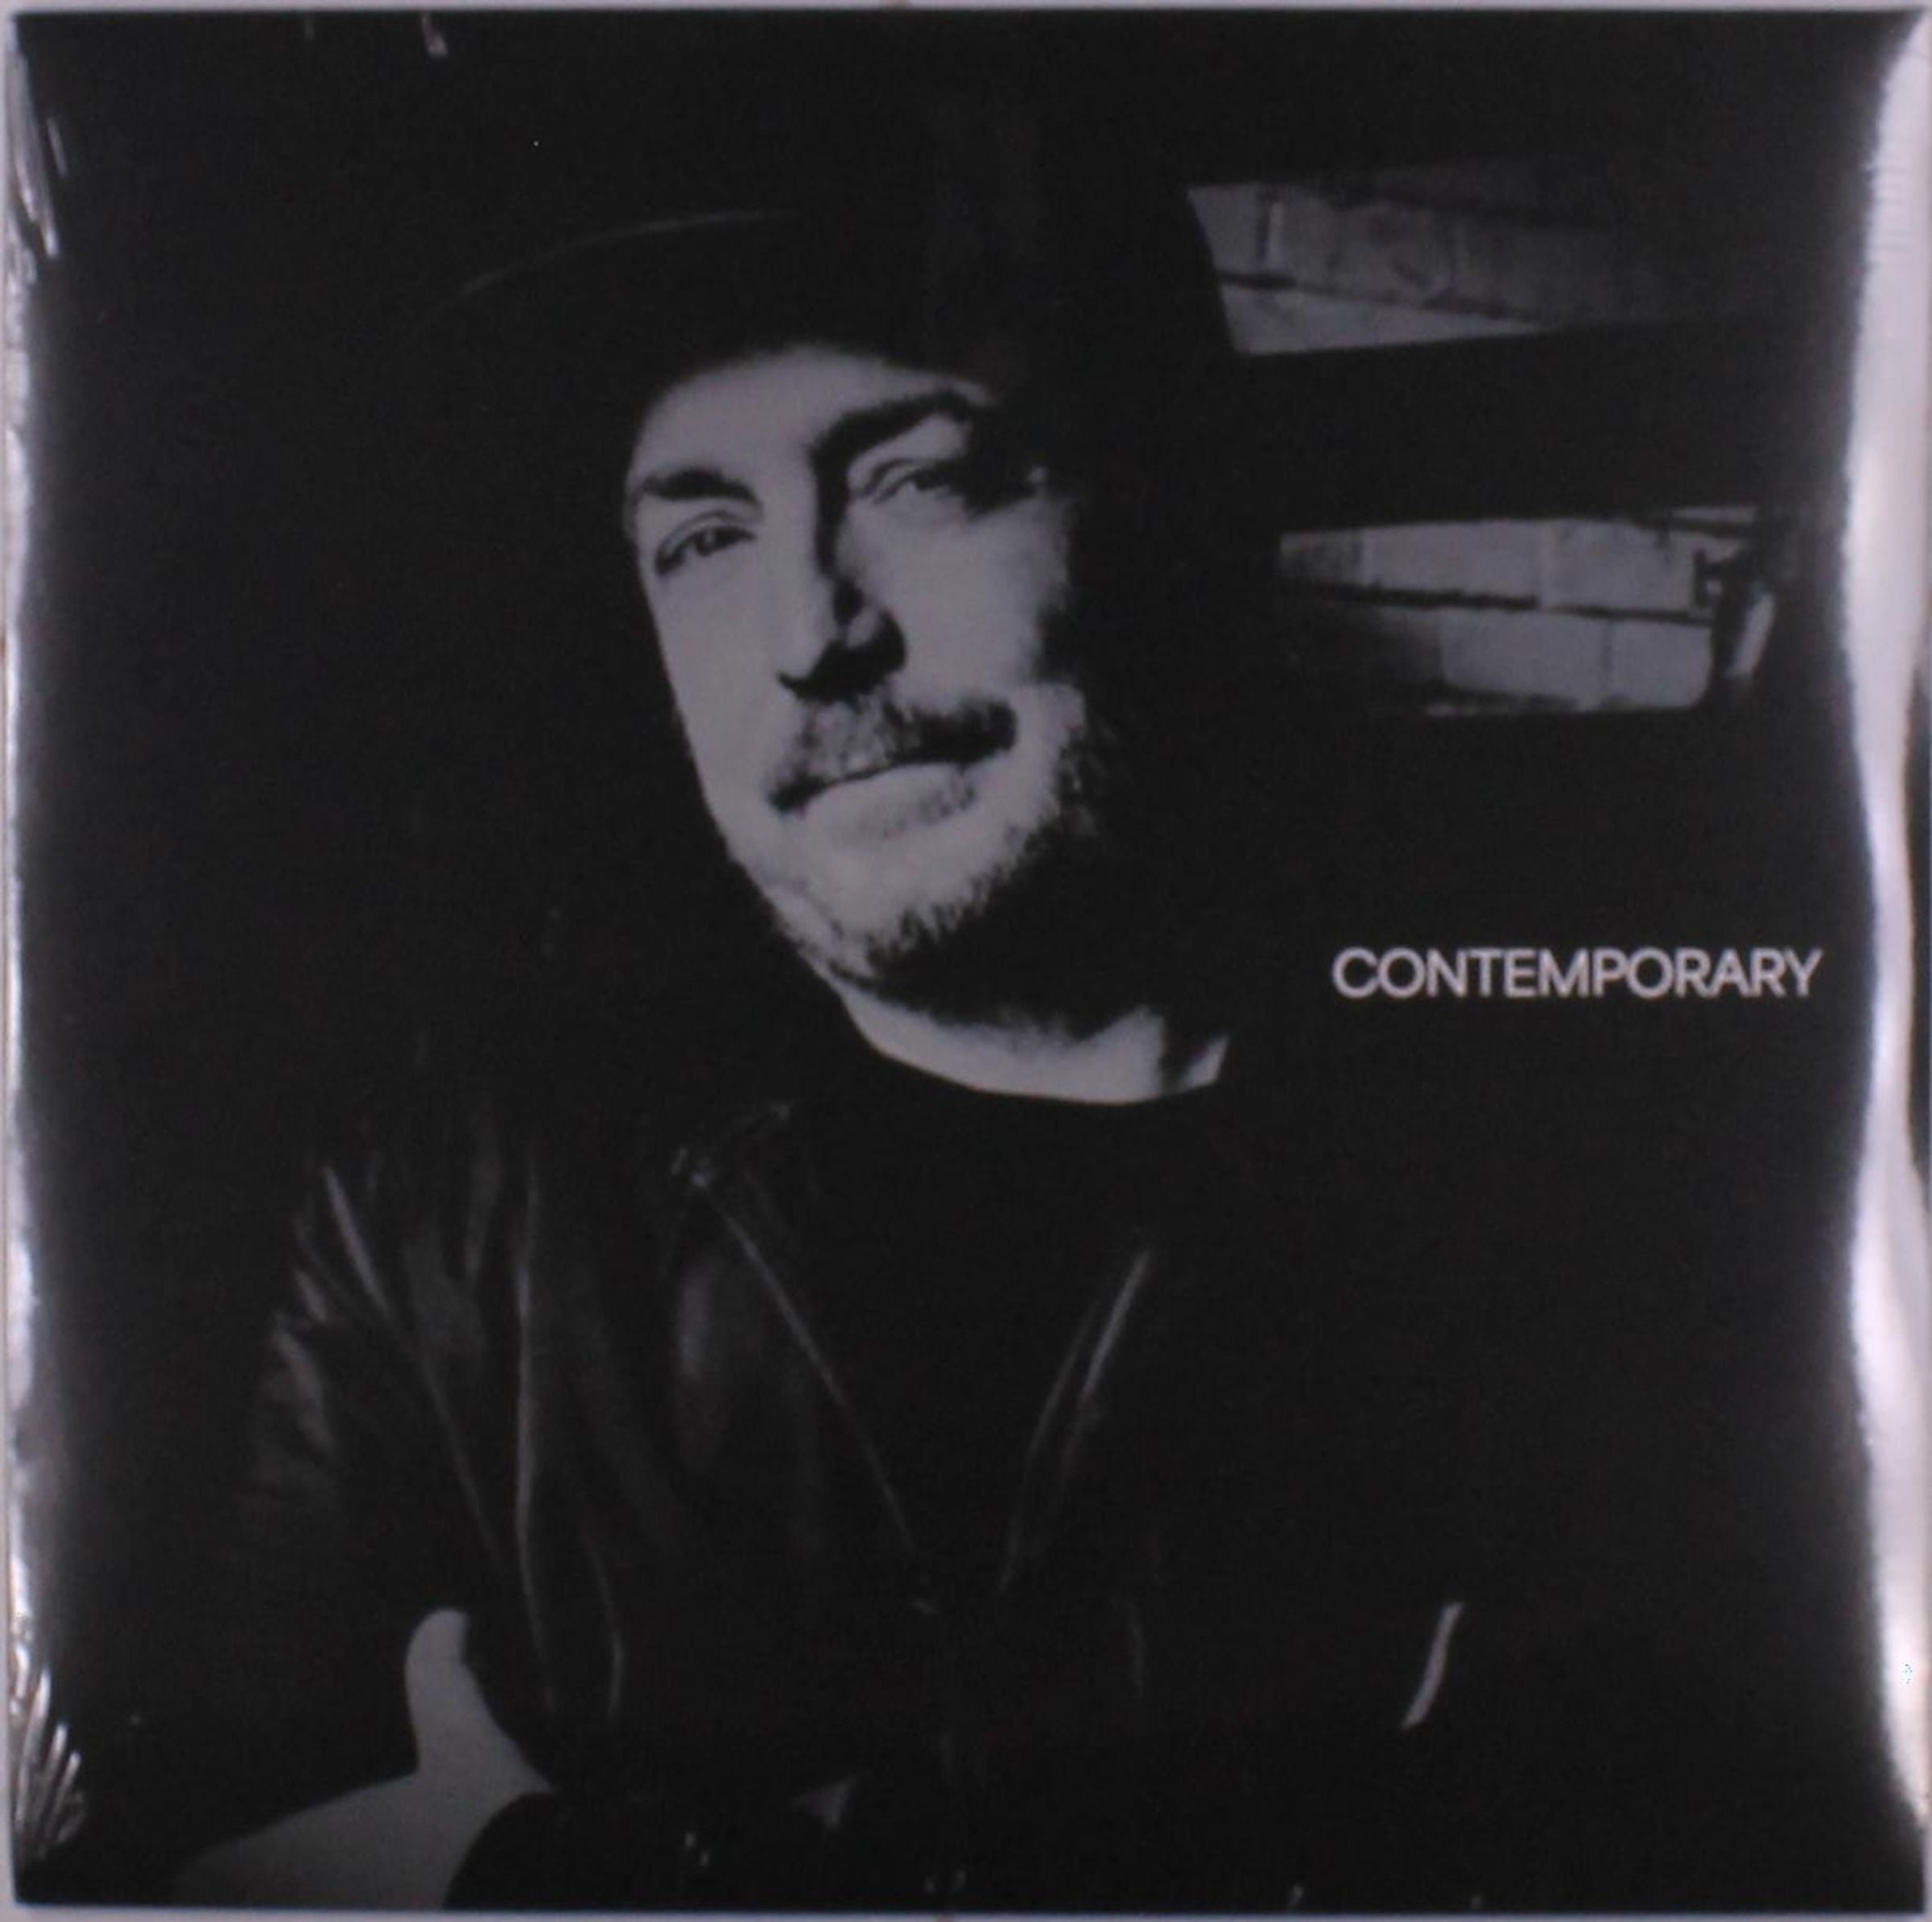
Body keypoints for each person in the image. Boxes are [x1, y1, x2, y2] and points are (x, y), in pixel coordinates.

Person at [48, 89, 1923, 1913]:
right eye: (702, 537)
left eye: (917, 479)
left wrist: (587, 1878)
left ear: (1170, 515)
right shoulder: (444, 1236)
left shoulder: (1572, 1214)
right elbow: (218, 1862)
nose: (810, 637)